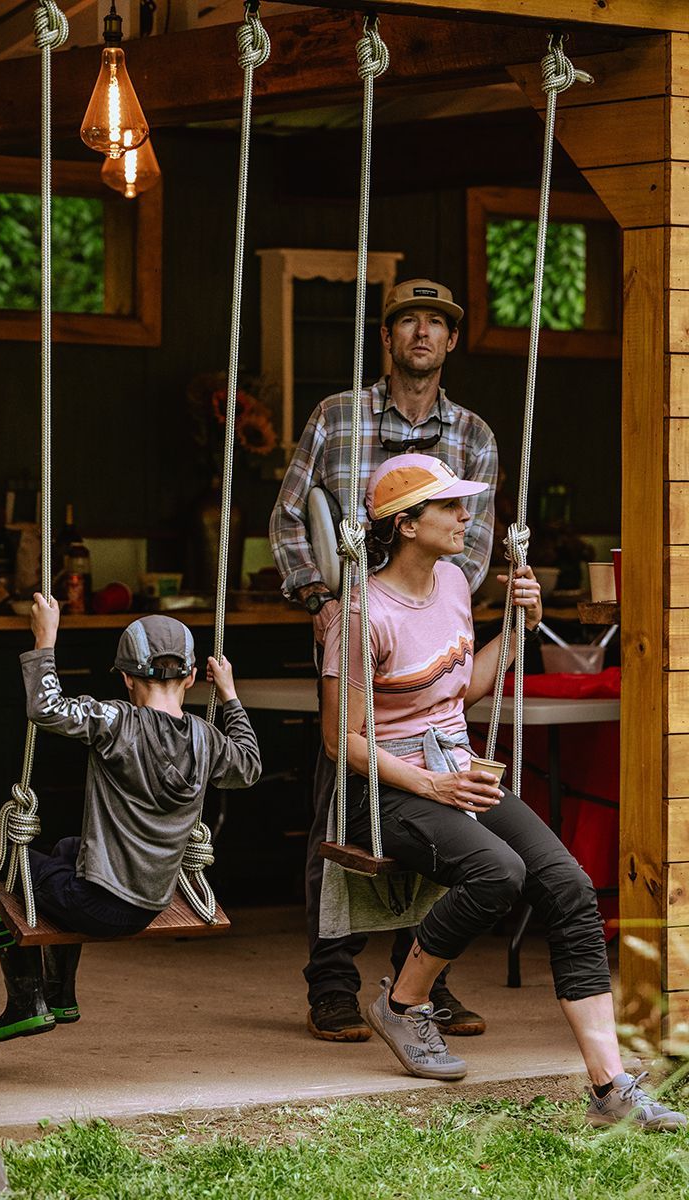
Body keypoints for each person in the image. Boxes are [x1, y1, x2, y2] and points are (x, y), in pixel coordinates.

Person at [321, 454, 686, 1131]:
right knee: (498, 872)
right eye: (450, 507)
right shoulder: (357, 613)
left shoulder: (456, 584)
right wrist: (429, 781)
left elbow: (470, 687)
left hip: (457, 771)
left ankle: (611, 1088)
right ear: (406, 524)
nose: (467, 517)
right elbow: (343, 740)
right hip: (391, 787)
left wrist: (515, 631)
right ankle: (403, 1005)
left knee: (568, 885)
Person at [270, 278, 497, 1042]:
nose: (424, 334)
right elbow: (288, 517)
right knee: (341, 804)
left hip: (428, 652)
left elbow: (479, 545)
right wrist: (321, 600)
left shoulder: (474, 434)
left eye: (438, 322)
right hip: (357, 635)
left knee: (438, 810)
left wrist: (438, 610)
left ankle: (420, 981)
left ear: (452, 340)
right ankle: (332, 985)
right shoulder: (337, 416)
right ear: (389, 336)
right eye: (410, 322)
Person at [0, 601, 261, 1043]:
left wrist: (45, 639)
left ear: (127, 678)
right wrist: (229, 694)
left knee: (13, 873)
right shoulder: (207, 739)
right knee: (69, 848)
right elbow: (248, 765)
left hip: (98, 904)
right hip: (149, 905)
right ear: (190, 678)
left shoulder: (116, 721)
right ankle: (62, 996)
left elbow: (45, 707)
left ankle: (27, 1003)